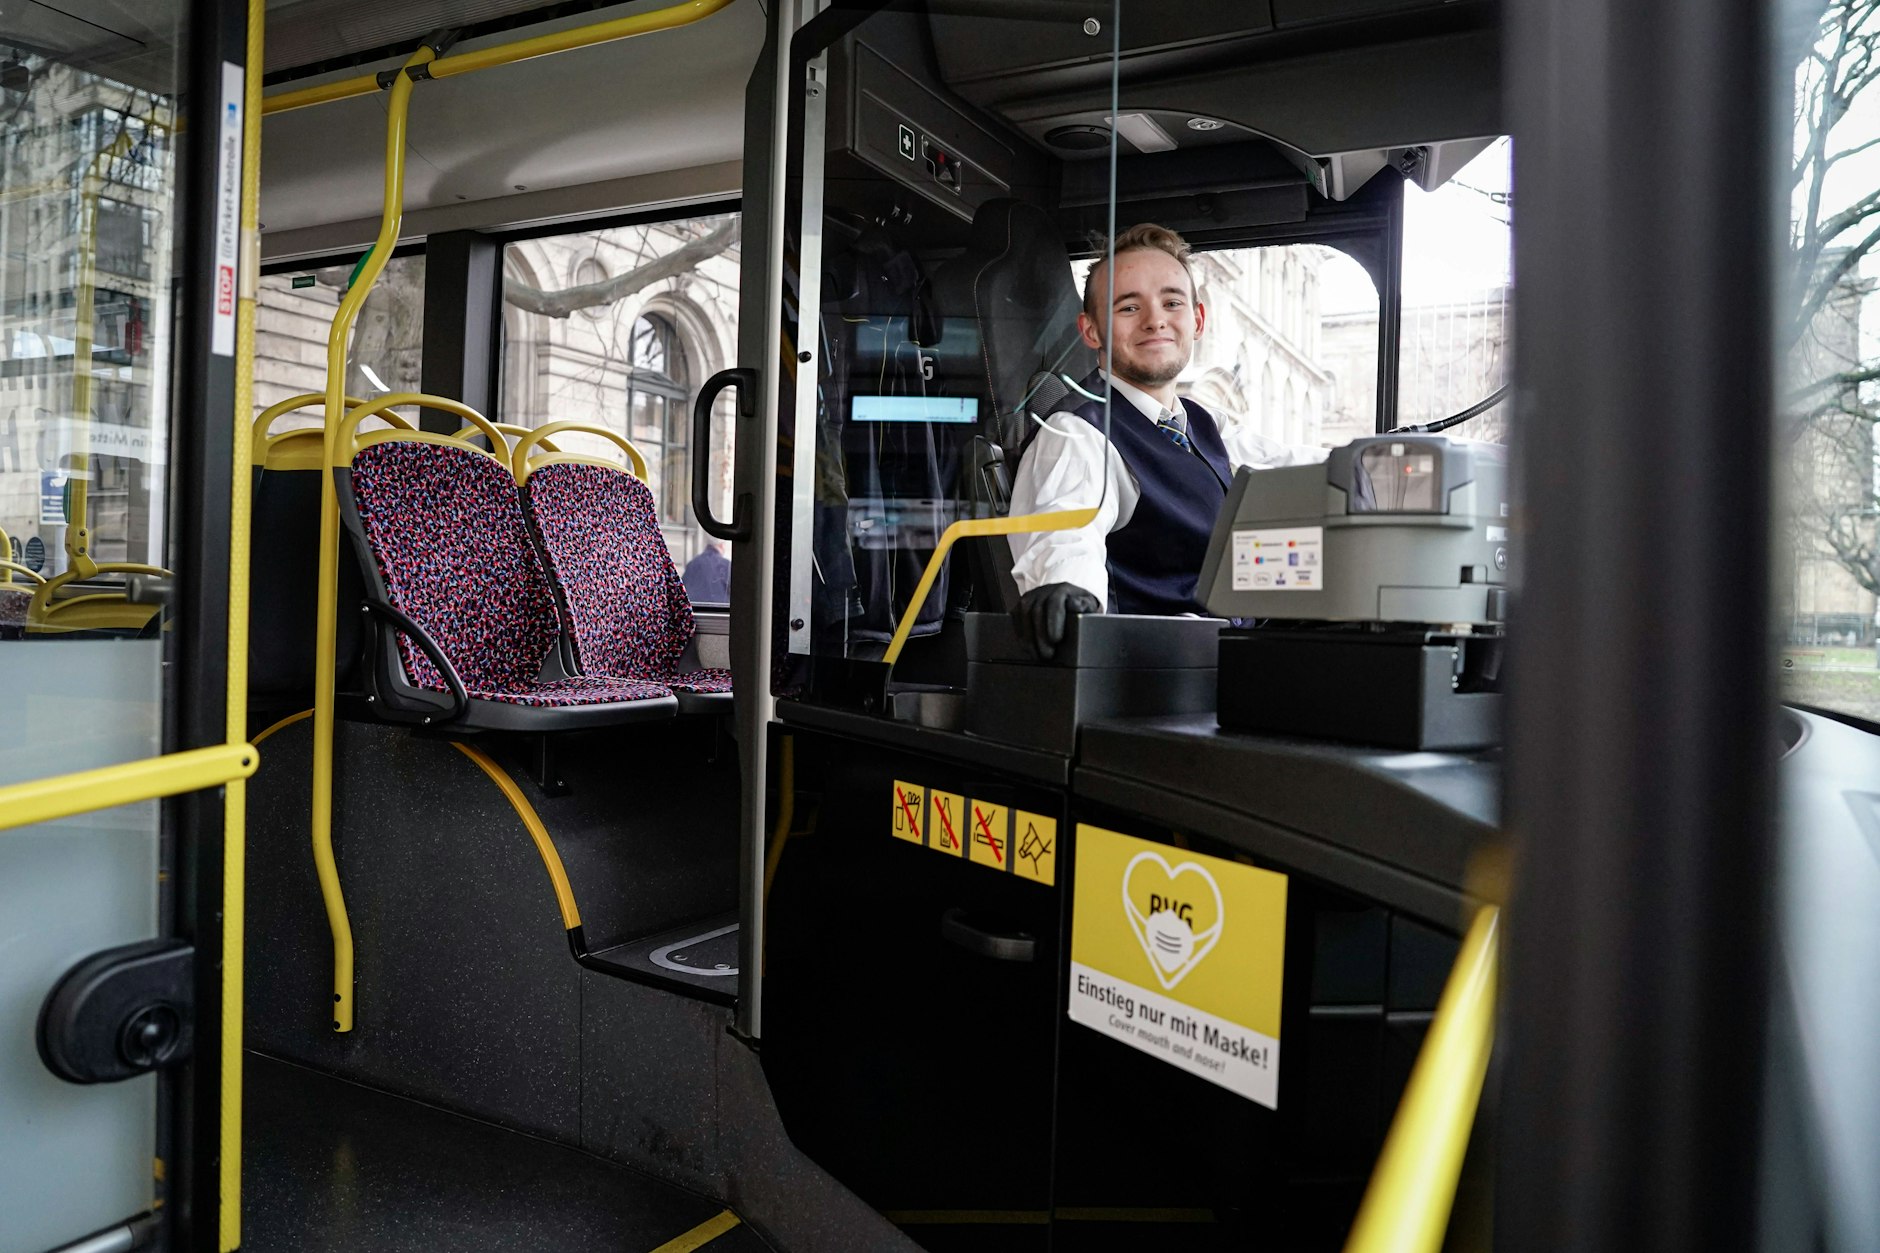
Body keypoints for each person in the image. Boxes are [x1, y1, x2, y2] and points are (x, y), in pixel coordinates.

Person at [1006, 223, 1324, 658]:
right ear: (1091, 331)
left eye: (1171, 302)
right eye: (1128, 308)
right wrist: (1068, 591)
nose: (1156, 319)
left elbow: (1297, 467)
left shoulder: (1204, 422)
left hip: (1237, 656)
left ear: (1197, 320)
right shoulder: (1076, 435)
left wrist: (1384, 464)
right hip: (1154, 674)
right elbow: (1064, 536)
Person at [682, 540, 731, 605]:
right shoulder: (726, 564)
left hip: (694, 608)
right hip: (718, 610)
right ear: (721, 545)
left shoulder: (692, 563)